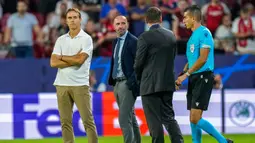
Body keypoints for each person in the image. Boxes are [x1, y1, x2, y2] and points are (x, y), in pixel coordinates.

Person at [175, 5, 233, 143]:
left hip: (203, 77)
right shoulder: (192, 37)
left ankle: (223, 141)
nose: (183, 20)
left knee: (195, 117)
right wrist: (182, 75)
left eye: (185, 17)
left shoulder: (204, 33)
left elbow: (203, 58)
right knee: (193, 117)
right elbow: (191, 61)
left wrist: (186, 75)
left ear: (194, 18)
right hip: (194, 77)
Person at [134, 7, 184, 143]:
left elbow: (138, 63)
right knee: (169, 117)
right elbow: (172, 57)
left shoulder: (144, 37)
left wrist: (138, 78)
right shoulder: (171, 35)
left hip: (149, 85)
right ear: (161, 19)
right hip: (167, 83)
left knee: (154, 121)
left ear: (146, 20)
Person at [50, 8, 98, 143]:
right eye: (69, 18)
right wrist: (73, 58)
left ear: (80, 19)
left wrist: (62, 58)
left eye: (75, 17)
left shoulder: (86, 39)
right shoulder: (60, 39)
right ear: (66, 20)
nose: (72, 20)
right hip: (61, 84)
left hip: (80, 85)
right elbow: (53, 62)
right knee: (65, 122)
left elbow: (80, 61)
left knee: (87, 121)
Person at [108, 15, 141, 143]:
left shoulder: (133, 41)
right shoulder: (115, 41)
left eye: (123, 23)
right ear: (113, 26)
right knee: (130, 117)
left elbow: (139, 65)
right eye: (118, 24)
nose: (120, 26)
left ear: (127, 24)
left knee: (123, 118)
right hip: (116, 83)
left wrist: (131, 82)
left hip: (126, 83)